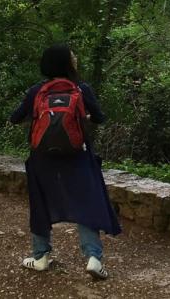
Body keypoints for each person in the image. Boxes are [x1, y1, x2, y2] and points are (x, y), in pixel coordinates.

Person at [9, 44, 121, 279]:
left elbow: (15, 118)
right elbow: (100, 118)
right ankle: (92, 258)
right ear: (66, 63)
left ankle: (40, 257)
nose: (76, 58)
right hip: (77, 157)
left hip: (42, 159)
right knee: (86, 204)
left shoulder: (37, 91)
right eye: (73, 56)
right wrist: (83, 117)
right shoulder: (81, 89)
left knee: (41, 204)